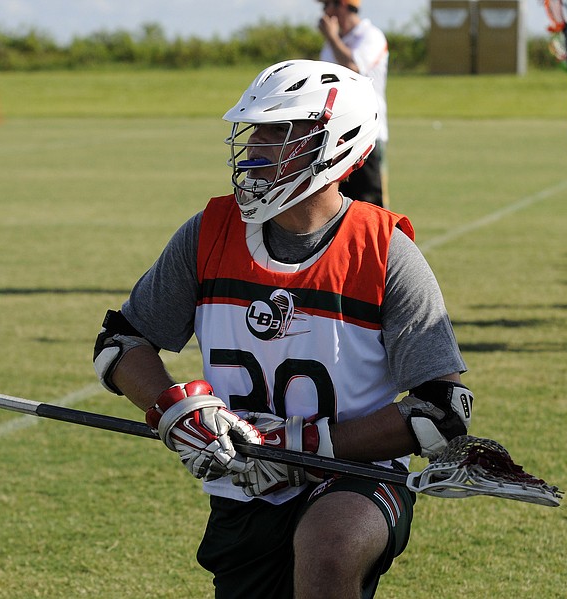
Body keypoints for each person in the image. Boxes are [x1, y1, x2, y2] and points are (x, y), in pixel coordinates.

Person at [92, 59, 471, 598]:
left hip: (357, 474)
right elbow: (120, 344)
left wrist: (304, 444)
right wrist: (175, 410)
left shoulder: (383, 251)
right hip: (244, 481)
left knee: (330, 547)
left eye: (280, 131)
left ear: (337, 145)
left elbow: (441, 408)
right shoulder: (208, 234)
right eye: (255, 129)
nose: (256, 147)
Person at [317, 0, 389, 207]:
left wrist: (331, 36)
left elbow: (353, 67)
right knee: (338, 203)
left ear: (342, 6)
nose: (324, 13)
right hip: (336, 133)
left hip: (367, 131)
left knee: (370, 203)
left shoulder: (370, 36)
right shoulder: (333, 42)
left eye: (327, 6)